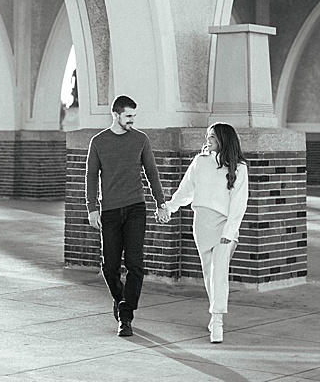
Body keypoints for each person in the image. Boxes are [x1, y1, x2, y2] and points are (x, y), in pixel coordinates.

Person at [85, 95, 169, 337]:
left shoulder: (140, 140)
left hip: (135, 208)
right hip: (109, 210)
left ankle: (126, 314)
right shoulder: (98, 142)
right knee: (109, 266)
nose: (133, 120)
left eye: (134, 116)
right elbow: (91, 176)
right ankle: (120, 298)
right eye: (129, 116)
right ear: (116, 115)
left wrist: (160, 203)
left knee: (135, 265)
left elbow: (152, 172)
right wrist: (92, 208)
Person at [161, 122, 249, 343]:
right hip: (202, 224)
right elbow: (186, 191)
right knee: (210, 276)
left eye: (212, 137)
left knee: (219, 272)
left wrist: (230, 231)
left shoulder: (239, 167)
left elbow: (239, 204)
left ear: (222, 140)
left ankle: (217, 322)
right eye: (207, 137)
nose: (207, 141)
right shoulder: (199, 162)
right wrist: (169, 208)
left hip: (225, 226)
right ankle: (214, 314)